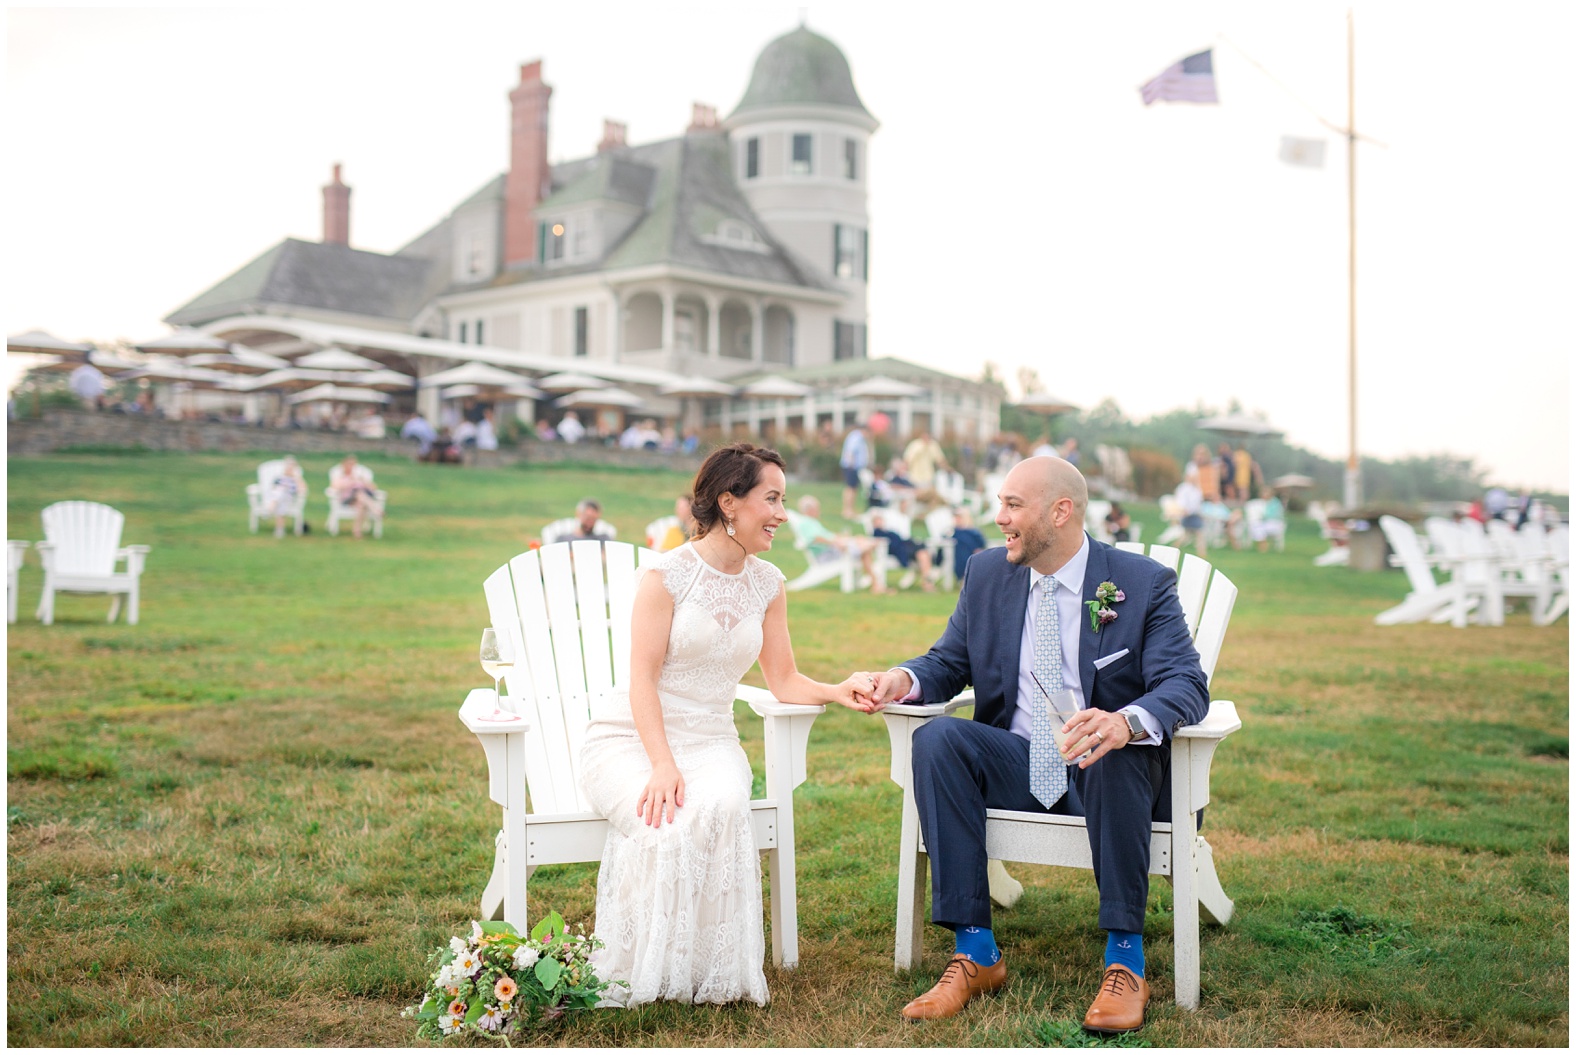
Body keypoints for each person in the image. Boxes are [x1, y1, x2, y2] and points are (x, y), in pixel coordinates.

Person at [861, 457, 1208, 1034]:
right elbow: (950, 661)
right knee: (939, 738)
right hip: (1018, 763)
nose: (999, 519)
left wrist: (1126, 721)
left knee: (1107, 744)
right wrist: (903, 679)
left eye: (1013, 506)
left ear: (1061, 512)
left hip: (1111, 773)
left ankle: (1125, 960)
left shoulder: (1141, 583)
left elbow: (1185, 682)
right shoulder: (988, 572)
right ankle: (975, 953)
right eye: (1000, 504)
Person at [578, 443, 878, 1007]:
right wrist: (662, 764)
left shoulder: (768, 584)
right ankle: (646, 970)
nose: (783, 514)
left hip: (713, 741)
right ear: (728, 502)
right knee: (662, 820)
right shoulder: (666, 576)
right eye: (772, 499)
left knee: (717, 807)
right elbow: (641, 681)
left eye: (783, 500)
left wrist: (837, 690)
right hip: (632, 738)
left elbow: (783, 679)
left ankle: (704, 973)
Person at [789, 495, 889, 594]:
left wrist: (841, 538)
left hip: (833, 549)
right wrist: (836, 542)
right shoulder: (806, 523)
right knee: (865, 548)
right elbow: (816, 538)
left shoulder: (812, 522)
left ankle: (875, 583)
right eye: (817, 508)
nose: (819, 511)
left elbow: (827, 535)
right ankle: (875, 582)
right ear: (810, 509)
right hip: (827, 554)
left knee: (862, 544)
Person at [868, 508, 937, 592]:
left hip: (906, 546)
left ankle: (927, 582)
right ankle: (927, 583)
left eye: (880, 520)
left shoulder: (888, 531)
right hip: (902, 551)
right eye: (876, 521)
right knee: (923, 555)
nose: (879, 522)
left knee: (923, 554)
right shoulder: (877, 533)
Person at [330, 454, 379, 540]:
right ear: (344, 465)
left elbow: (373, 488)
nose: (351, 466)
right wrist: (350, 482)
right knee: (359, 494)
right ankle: (375, 509)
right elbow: (334, 486)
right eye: (349, 464)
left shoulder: (359, 477)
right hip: (347, 499)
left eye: (353, 464)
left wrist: (362, 481)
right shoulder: (341, 476)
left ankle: (356, 531)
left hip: (359, 501)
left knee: (361, 504)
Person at [267, 456, 306, 538]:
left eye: (291, 467)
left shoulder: (295, 479)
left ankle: (271, 510)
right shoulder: (279, 478)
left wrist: (296, 478)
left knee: (282, 492)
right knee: (280, 494)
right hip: (279, 500)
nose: (289, 469)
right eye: (288, 467)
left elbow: (302, 490)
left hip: (289, 499)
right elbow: (272, 488)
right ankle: (280, 530)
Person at [839, 422, 871, 519]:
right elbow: (850, 452)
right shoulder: (856, 437)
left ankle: (850, 509)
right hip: (852, 467)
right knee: (850, 488)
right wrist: (852, 465)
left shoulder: (858, 437)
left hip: (855, 467)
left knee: (853, 488)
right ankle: (847, 510)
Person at [949, 507, 987, 584]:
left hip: (973, 554)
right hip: (958, 555)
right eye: (956, 517)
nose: (957, 519)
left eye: (959, 517)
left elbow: (982, 543)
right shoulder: (953, 531)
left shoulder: (973, 532)